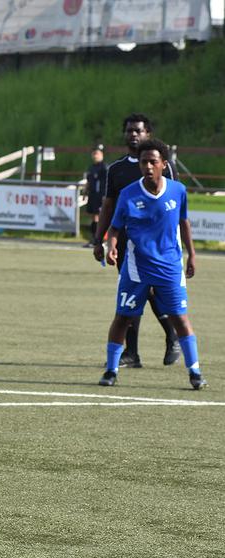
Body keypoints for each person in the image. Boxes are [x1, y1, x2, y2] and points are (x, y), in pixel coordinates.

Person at [98, 139, 206, 390]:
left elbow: (184, 223)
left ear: (163, 164)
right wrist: (111, 245)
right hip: (136, 267)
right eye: (144, 161)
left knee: (179, 318)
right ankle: (111, 370)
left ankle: (195, 372)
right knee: (123, 317)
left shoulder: (178, 190)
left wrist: (192, 254)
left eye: (153, 162)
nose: (147, 166)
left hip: (169, 266)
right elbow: (115, 227)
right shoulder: (128, 194)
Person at [92, 113, 181, 369]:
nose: (133, 134)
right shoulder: (117, 169)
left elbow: (173, 203)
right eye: (129, 130)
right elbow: (108, 206)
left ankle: (173, 336)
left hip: (157, 244)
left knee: (154, 292)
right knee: (131, 294)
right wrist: (100, 239)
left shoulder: (163, 165)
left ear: (148, 134)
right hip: (126, 244)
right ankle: (132, 353)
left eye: (138, 130)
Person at [83, 145, 107, 247]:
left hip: (100, 196)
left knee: (99, 217)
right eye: (94, 153)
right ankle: (94, 239)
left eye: (97, 153)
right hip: (92, 195)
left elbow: (107, 183)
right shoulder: (92, 167)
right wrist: (85, 192)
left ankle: (100, 240)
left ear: (102, 154)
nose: (95, 156)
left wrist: (105, 195)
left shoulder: (104, 168)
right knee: (93, 217)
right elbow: (89, 181)